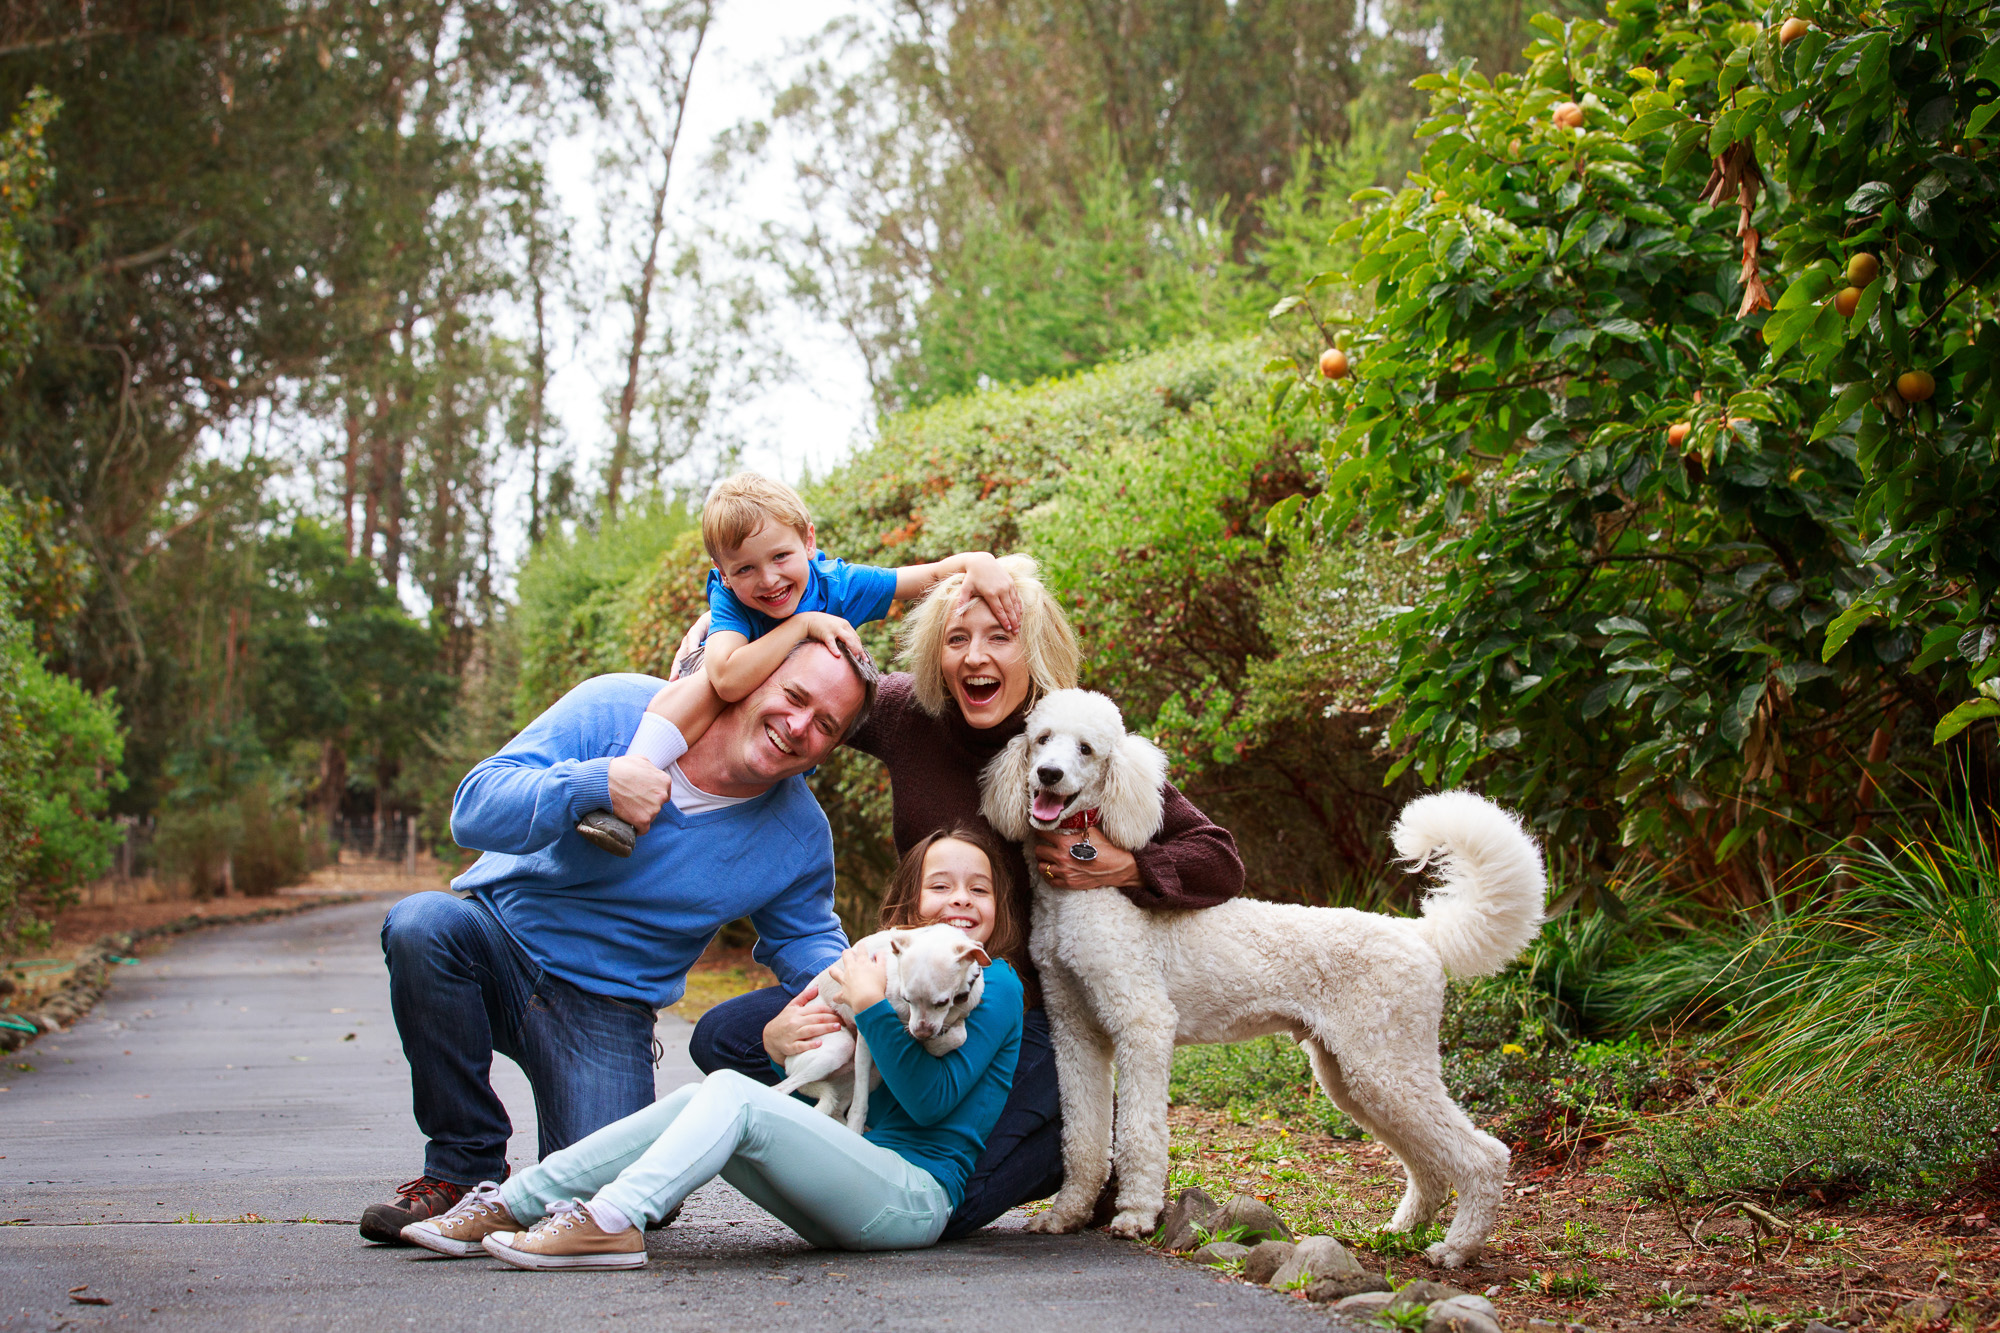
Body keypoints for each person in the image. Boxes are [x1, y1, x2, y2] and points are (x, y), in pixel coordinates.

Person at [690, 555, 1245, 1239]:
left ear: (1033, 648)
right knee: (728, 1036)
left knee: (941, 1200)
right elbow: (776, 671)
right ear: (937, 652)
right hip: (913, 995)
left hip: (1031, 1026)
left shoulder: (1069, 740)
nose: (975, 656)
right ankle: (856, 1141)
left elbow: (1219, 859)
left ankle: (1056, 1147)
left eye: (999, 637)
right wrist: (765, 597)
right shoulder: (904, 713)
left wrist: (1116, 862)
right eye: (957, 639)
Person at [356, 639, 878, 1244]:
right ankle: (461, 1168)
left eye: (824, 725)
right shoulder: (618, 709)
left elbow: (808, 940)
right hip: (497, 945)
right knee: (422, 926)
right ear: (754, 677)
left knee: (612, 1195)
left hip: (606, 1007)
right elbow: (472, 809)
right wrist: (594, 782)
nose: (797, 726)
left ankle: (616, 1164)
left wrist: (867, 992)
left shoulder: (797, 834)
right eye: (793, 697)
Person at [399, 827, 1025, 1268]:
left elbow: (928, 1100)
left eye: (980, 889)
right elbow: (834, 1051)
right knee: (701, 1097)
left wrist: (869, 1007)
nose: (961, 900)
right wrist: (788, 1039)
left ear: (998, 911)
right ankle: (512, 1203)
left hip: (915, 1198)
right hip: (853, 1179)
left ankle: (614, 1220)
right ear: (914, 901)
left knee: (733, 1095)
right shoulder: (894, 970)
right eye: (942, 885)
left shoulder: (993, 981)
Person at [575, 471, 1022, 856]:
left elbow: (923, 577)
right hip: (715, 712)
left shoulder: (837, 585)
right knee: (704, 687)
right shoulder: (731, 601)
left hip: (779, 733)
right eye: (745, 569)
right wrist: (803, 625)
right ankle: (625, 789)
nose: (768, 580)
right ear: (722, 572)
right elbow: (727, 679)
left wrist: (978, 562)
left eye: (780, 557)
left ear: (808, 540)